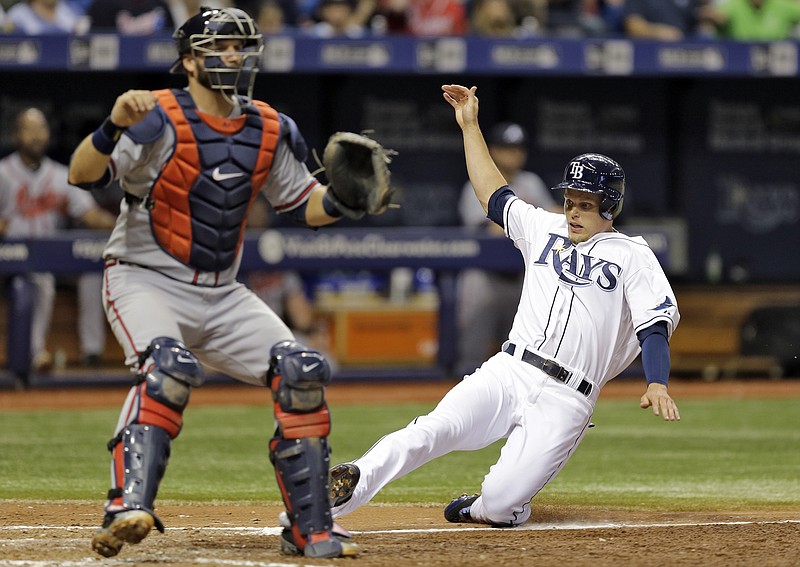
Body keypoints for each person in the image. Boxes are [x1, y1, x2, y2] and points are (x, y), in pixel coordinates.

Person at [67, 6, 379, 560]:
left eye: (240, 47)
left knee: (301, 371)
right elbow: (82, 174)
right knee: (169, 369)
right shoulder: (155, 117)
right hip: (144, 278)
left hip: (221, 289)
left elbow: (302, 204)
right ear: (188, 60)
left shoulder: (269, 125)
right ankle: (127, 505)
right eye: (218, 47)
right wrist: (111, 124)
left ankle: (311, 529)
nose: (233, 57)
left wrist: (342, 201)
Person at [327, 83, 681, 530]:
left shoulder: (633, 254)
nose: (573, 210)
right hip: (510, 370)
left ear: (609, 206)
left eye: (585, 204)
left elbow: (654, 326)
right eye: (570, 200)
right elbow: (493, 196)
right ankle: (352, 484)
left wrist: (658, 382)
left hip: (567, 398)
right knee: (435, 429)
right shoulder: (544, 227)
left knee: (500, 505)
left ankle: (486, 507)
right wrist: (470, 126)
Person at [0, 107, 115, 380]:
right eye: (30, 129)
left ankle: (92, 352)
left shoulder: (60, 174)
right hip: (12, 256)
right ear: (17, 135)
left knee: (90, 273)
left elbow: (90, 214)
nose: (37, 136)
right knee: (40, 281)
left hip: (51, 256)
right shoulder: (3, 173)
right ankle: (36, 351)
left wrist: (122, 223)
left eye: (42, 129)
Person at [455, 121, 560, 376]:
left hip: (522, 276)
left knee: (521, 355)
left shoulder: (531, 182)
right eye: (507, 148)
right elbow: (489, 228)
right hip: (484, 276)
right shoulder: (476, 185)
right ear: (493, 151)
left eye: (518, 148)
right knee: (472, 354)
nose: (514, 154)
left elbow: (555, 215)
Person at [699, 0, 800, 41]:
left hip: (779, 61)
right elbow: (719, 16)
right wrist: (713, 16)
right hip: (739, 63)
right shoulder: (734, 5)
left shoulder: (781, 4)